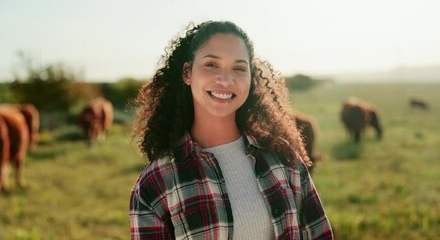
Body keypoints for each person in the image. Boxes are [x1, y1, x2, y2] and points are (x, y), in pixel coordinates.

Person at [130, 20, 333, 240]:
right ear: (187, 72)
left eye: (238, 68)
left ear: (251, 78)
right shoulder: (156, 182)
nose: (226, 80)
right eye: (211, 65)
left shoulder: (283, 159)